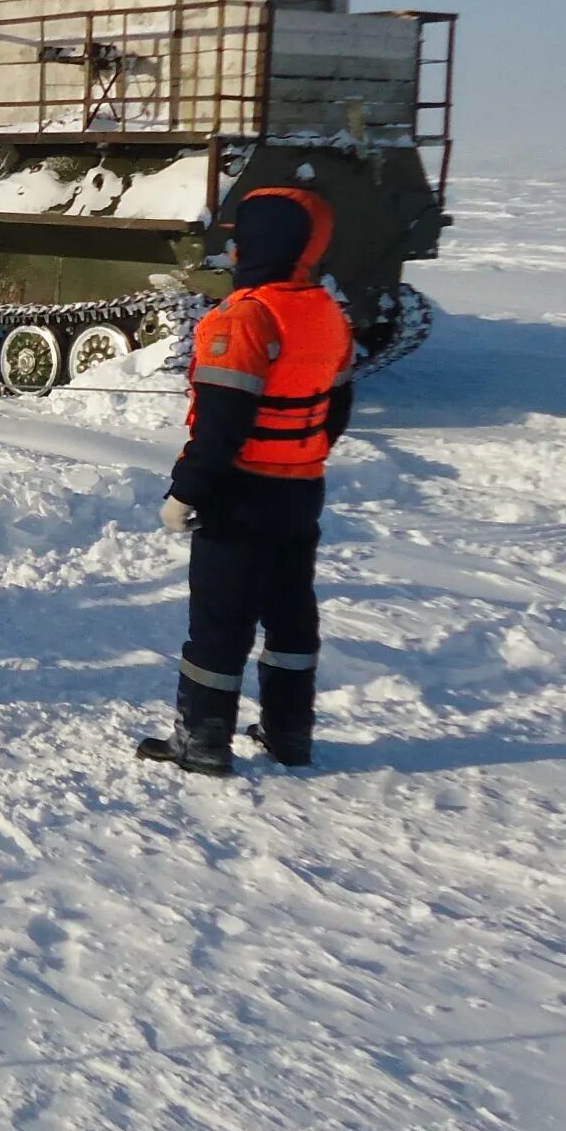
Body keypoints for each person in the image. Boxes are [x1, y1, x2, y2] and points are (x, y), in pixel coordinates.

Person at [137, 185, 355, 776]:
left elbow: (221, 426)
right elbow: (335, 410)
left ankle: (201, 742)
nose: (232, 251)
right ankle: (289, 733)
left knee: (221, 618)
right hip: (301, 490)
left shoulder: (245, 318)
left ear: (266, 244)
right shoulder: (327, 313)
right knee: (290, 610)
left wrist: (188, 491)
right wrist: (299, 457)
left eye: (240, 239)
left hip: (240, 494)